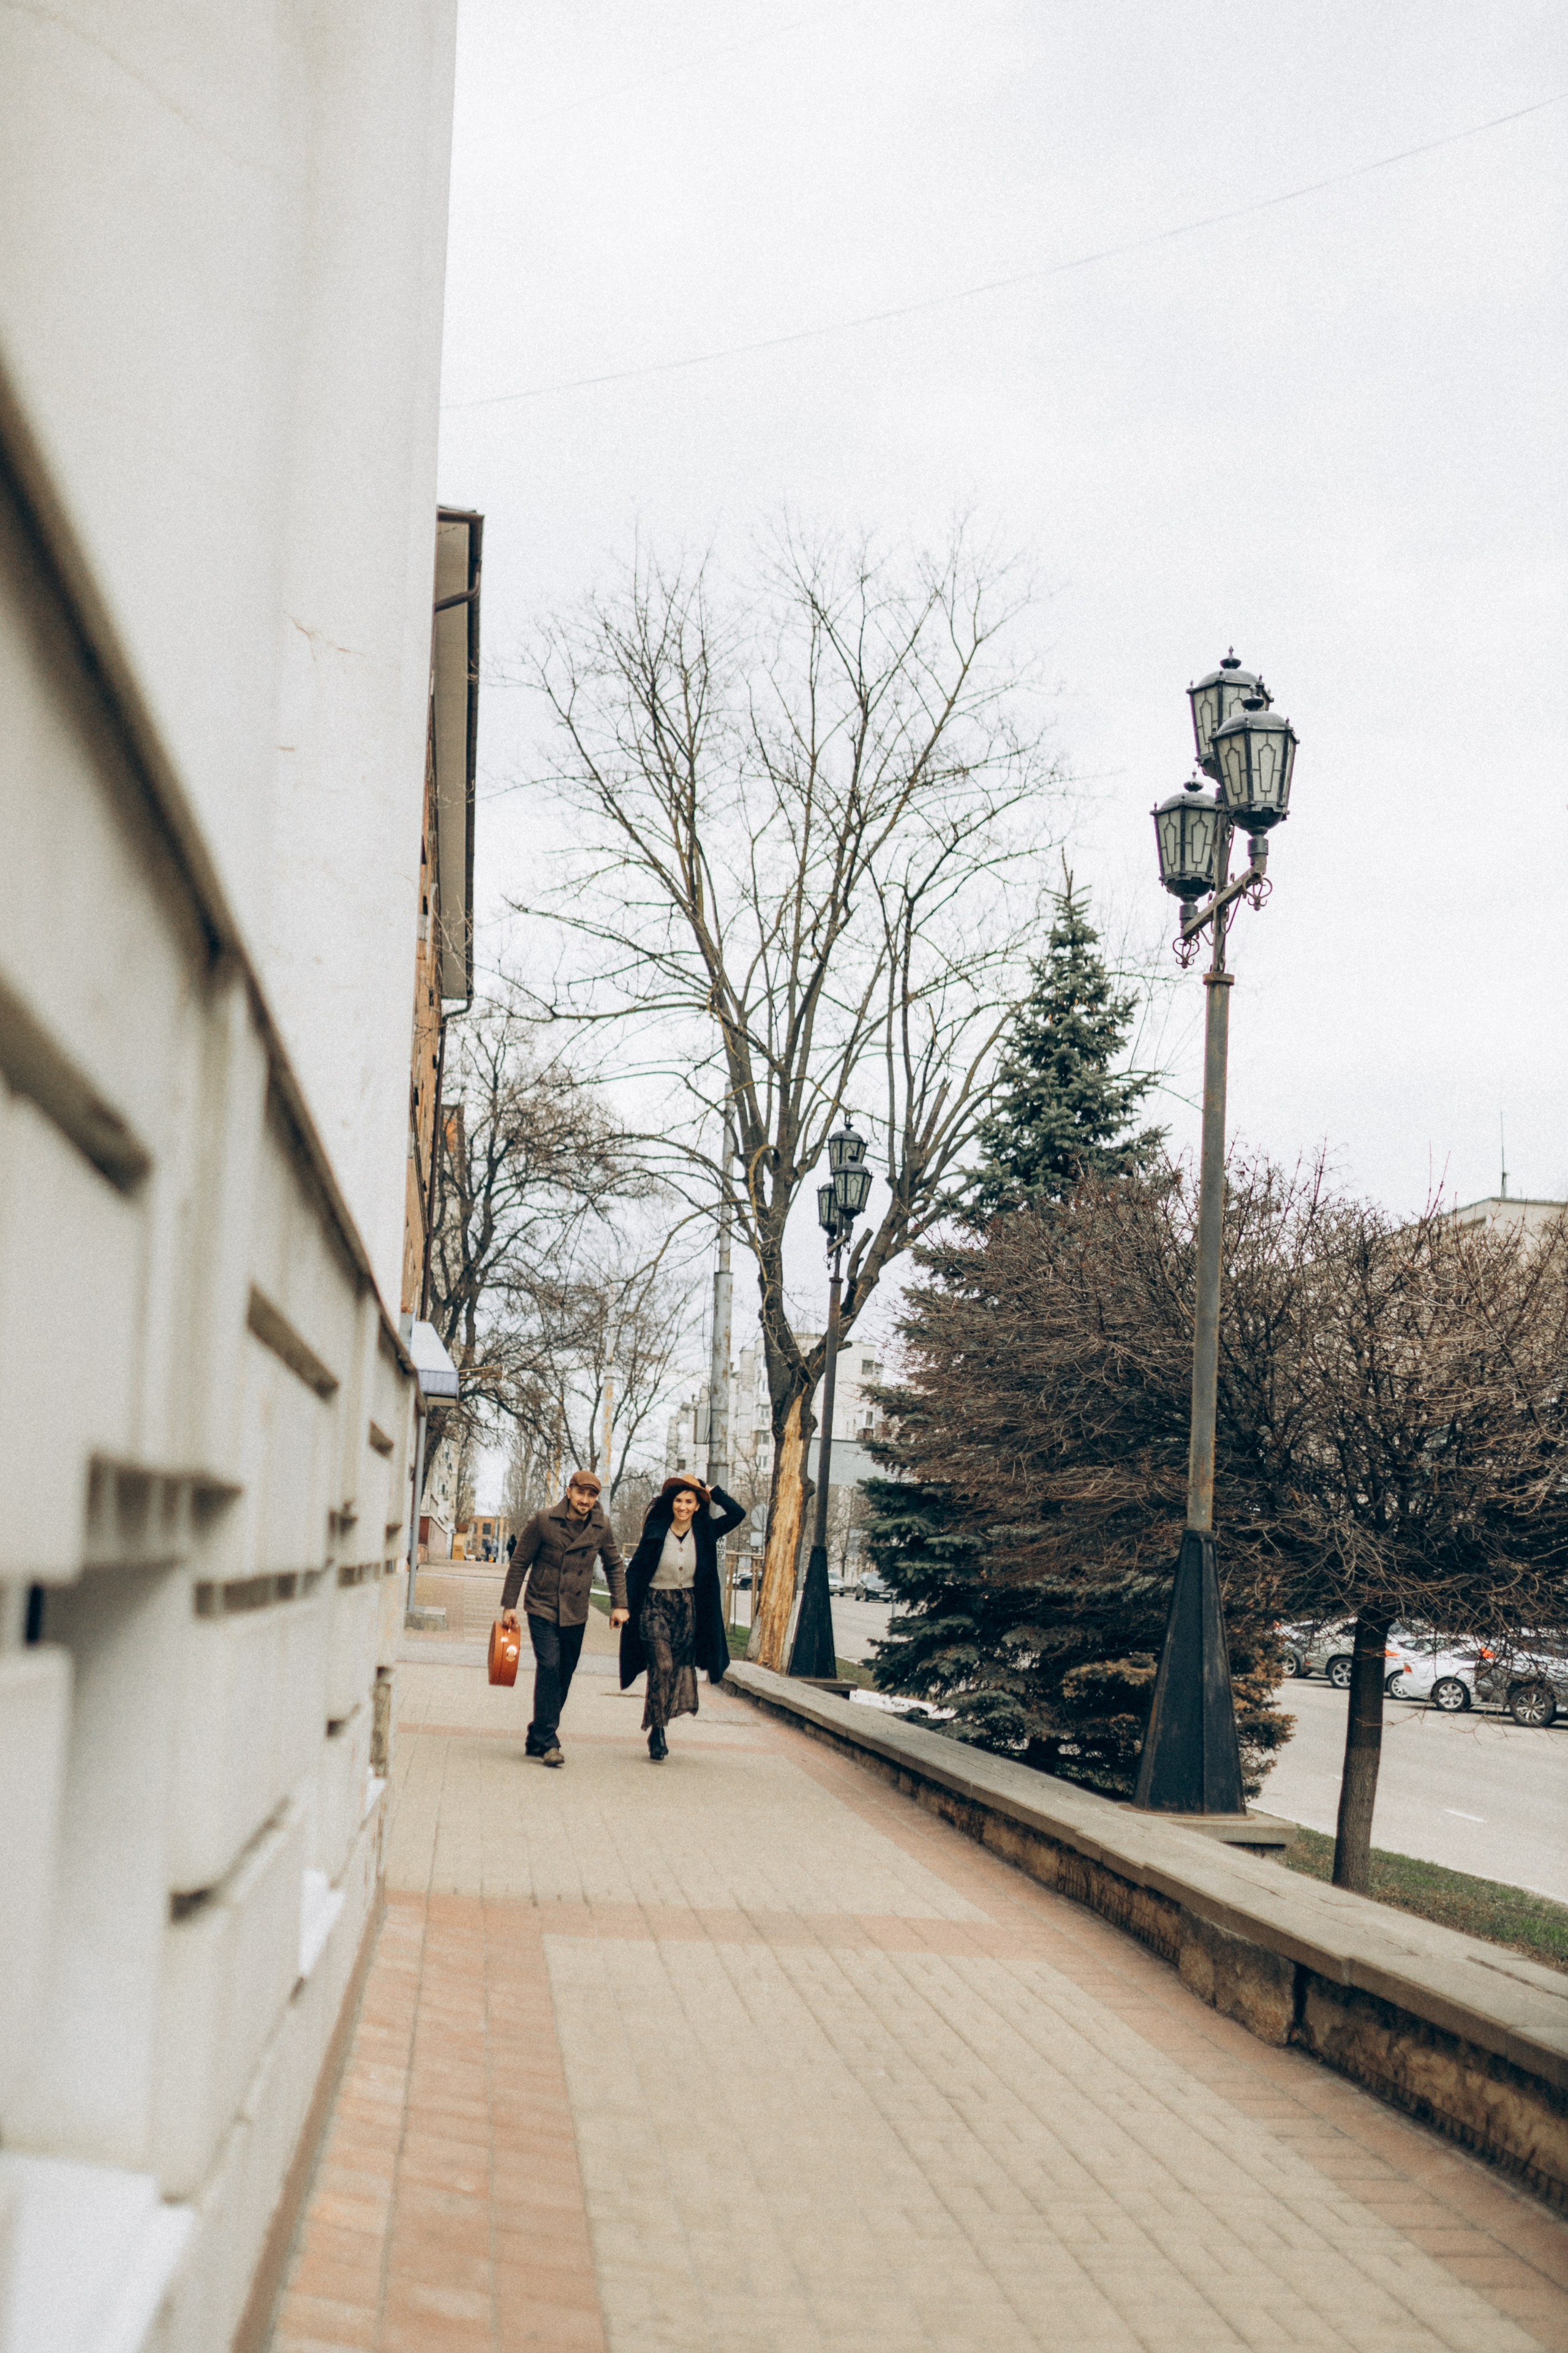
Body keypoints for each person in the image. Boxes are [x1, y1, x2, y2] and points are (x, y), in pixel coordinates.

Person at [499, 1471, 627, 1766]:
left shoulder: (601, 1526)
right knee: (550, 1666)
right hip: (542, 1605)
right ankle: (549, 1742)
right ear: (569, 1492)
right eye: (580, 1493)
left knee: (565, 1673)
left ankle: (537, 1734)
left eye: (591, 1495)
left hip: (576, 1611)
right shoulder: (544, 1521)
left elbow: (614, 1565)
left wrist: (620, 1604)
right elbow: (520, 1562)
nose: (585, 1500)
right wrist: (509, 1605)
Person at [619, 1475, 746, 1760]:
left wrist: (713, 1491)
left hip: (687, 1608)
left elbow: (738, 1514)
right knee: (662, 1664)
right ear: (671, 1503)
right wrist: (622, 1604)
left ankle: (658, 1728)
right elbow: (637, 1569)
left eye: (690, 1501)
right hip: (654, 1605)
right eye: (678, 1500)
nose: (683, 1506)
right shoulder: (656, 1530)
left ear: (698, 1506)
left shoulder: (706, 1531)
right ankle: (658, 1728)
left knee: (675, 1669)